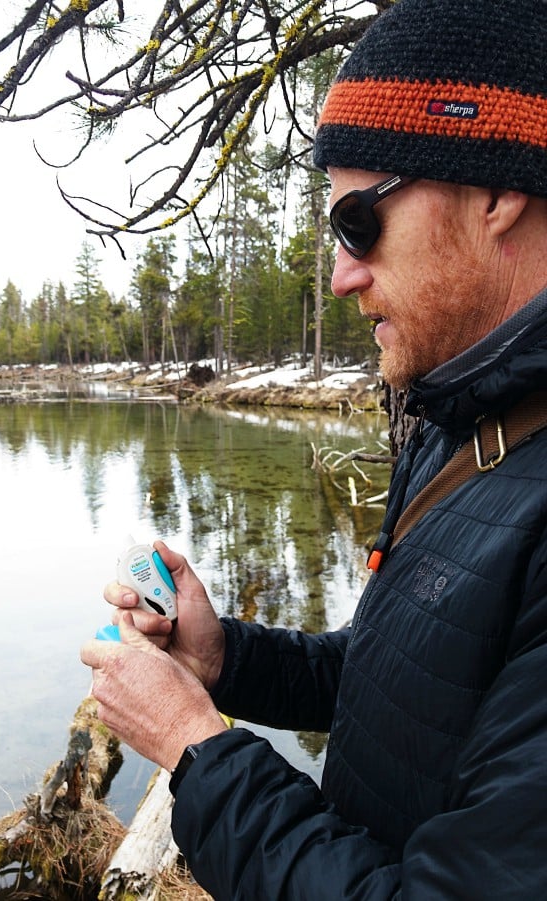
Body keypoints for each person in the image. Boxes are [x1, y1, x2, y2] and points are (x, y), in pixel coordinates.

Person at [81, 0, 547, 896]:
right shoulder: (463, 424)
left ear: (496, 189)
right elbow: (400, 684)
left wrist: (194, 748)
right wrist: (224, 660)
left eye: (357, 223)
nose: (338, 275)